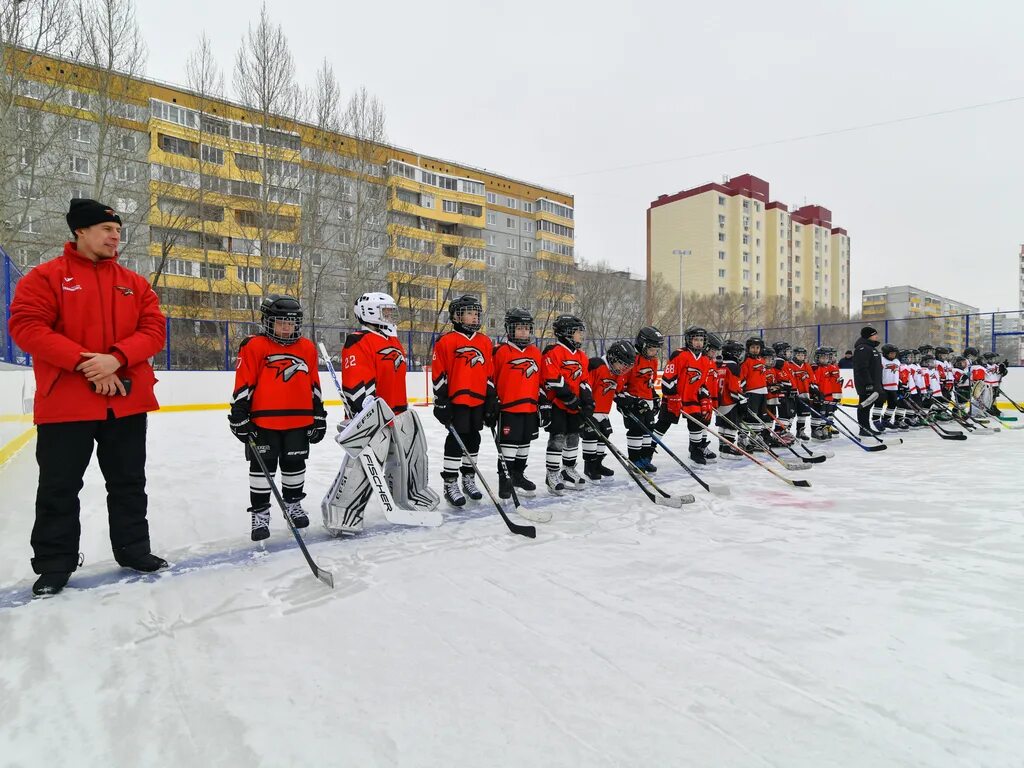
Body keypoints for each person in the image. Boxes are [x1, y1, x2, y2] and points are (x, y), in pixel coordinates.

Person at [8, 198, 168, 597]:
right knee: (59, 487)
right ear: (80, 231)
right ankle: (54, 564)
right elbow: (27, 327)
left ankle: (134, 550)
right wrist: (88, 365)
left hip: (126, 402)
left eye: (117, 231)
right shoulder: (45, 278)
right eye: (106, 230)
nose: (115, 236)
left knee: (129, 481)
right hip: (66, 404)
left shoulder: (134, 283)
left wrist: (115, 360)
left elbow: (154, 331)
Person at [229, 295, 326, 541]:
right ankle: (260, 513)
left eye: (291, 323)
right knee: (263, 469)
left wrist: (319, 415)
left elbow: (314, 384)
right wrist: (239, 414)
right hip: (264, 421)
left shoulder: (306, 348)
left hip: (299, 420)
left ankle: (293, 505)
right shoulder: (254, 345)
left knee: (295, 467)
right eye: (281, 322)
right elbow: (244, 382)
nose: (286, 327)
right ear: (267, 321)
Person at [431, 295, 496, 506]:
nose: (474, 316)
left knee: (473, 439)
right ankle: (450, 482)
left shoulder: (485, 341)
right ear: (457, 315)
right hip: (456, 400)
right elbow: (439, 374)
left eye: (476, 313)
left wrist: (491, 399)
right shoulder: (446, 341)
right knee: (456, 440)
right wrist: (442, 400)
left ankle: (469, 477)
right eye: (469, 312)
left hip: (477, 401)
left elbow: (489, 374)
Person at [492, 308, 543, 498]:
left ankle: (518, 475)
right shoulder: (500, 351)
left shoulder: (536, 352)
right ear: (509, 329)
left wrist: (543, 404)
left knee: (524, 443)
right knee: (509, 445)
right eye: (519, 328)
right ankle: (504, 481)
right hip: (508, 409)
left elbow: (541, 381)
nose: (524, 332)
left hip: (529, 408)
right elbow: (490, 378)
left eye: (527, 328)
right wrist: (491, 402)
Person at [540, 314, 594, 493]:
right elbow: (553, 378)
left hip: (574, 404)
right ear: (566, 333)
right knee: (558, 437)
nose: (581, 335)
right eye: (578, 332)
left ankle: (568, 469)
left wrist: (587, 402)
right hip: (557, 404)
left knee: (573, 436)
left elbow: (584, 381)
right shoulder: (553, 351)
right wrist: (569, 398)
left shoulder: (582, 356)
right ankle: (552, 473)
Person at [340, 292, 408, 416]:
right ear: (370, 312)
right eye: (386, 311)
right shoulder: (358, 341)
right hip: (375, 420)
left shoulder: (393, 340)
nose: (390, 314)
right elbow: (356, 385)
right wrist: (370, 416)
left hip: (398, 417)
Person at [655, 326, 715, 464]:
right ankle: (648, 449)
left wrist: (705, 398)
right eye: (696, 339)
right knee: (663, 424)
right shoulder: (680, 354)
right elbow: (667, 379)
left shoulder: (706, 360)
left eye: (701, 340)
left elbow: (702, 384)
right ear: (689, 340)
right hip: (674, 397)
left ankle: (695, 451)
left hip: (692, 398)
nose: (699, 343)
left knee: (697, 423)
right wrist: (672, 395)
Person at [582, 340, 636, 481]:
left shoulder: (616, 371)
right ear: (613, 357)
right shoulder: (596, 365)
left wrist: (627, 401)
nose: (623, 369)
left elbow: (617, 391)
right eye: (622, 364)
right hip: (591, 410)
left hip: (604, 411)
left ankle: (598, 464)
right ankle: (589, 467)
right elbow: (585, 387)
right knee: (591, 437)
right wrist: (585, 407)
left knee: (604, 434)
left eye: (626, 367)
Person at [617, 326, 664, 471]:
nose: (654, 352)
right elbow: (621, 385)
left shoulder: (653, 361)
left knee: (649, 429)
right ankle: (634, 460)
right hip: (633, 401)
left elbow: (650, 382)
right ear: (642, 344)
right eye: (651, 349)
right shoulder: (632, 359)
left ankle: (644, 458)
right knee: (636, 430)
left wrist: (655, 397)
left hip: (647, 400)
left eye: (656, 349)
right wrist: (629, 402)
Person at [852, 326, 883, 436]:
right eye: (874, 334)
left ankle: (867, 427)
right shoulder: (863, 348)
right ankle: (864, 429)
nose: (877, 336)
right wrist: (868, 383)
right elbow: (862, 368)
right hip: (866, 384)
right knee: (864, 406)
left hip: (874, 383)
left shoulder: (871, 348)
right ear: (869, 336)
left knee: (868, 405)